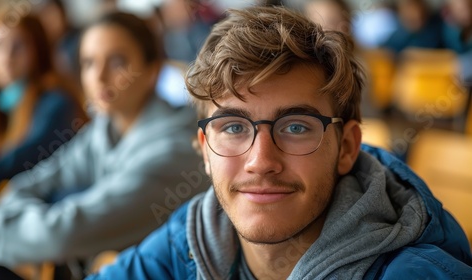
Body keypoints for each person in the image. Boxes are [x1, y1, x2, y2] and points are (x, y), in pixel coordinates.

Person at [88, 6, 472, 279]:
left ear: (347, 147)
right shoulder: (190, 240)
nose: (261, 161)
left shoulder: (409, 273)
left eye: (296, 127)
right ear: (205, 148)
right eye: (234, 127)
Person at [0, 11, 208, 279]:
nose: (99, 76)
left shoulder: (176, 150)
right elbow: (35, 181)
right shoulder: (104, 128)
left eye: (117, 62)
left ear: (152, 71)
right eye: (88, 63)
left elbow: (63, 235)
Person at [0, 10, 86, 212]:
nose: (6, 58)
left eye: (18, 46)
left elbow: (8, 165)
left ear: (38, 50)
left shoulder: (56, 102)